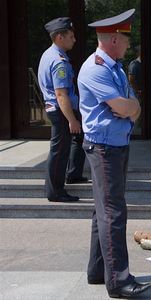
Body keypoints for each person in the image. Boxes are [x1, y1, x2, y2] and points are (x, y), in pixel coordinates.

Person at [77, 9, 151, 298]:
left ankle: (98, 271)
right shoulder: (96, 68)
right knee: (113, 212)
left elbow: (131, 103)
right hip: (104, 148)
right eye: (125, 38)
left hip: (115, 145)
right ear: (112, 39)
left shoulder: (116, 67)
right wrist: (129, 108)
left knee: (103, 211)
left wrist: (128, 108)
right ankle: (119, 281)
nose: (129, 44)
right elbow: (125, 107)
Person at [38, 17, 87, 203]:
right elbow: (61, 94)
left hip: (59, 109)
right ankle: (55, 191)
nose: (74, 40)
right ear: (60, 37)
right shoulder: (59, 61)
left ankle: (73, 174)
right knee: (59, 150)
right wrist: (71, 120)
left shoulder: (49, 54)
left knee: (75, 140)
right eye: (71, 36)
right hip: (60, 110)